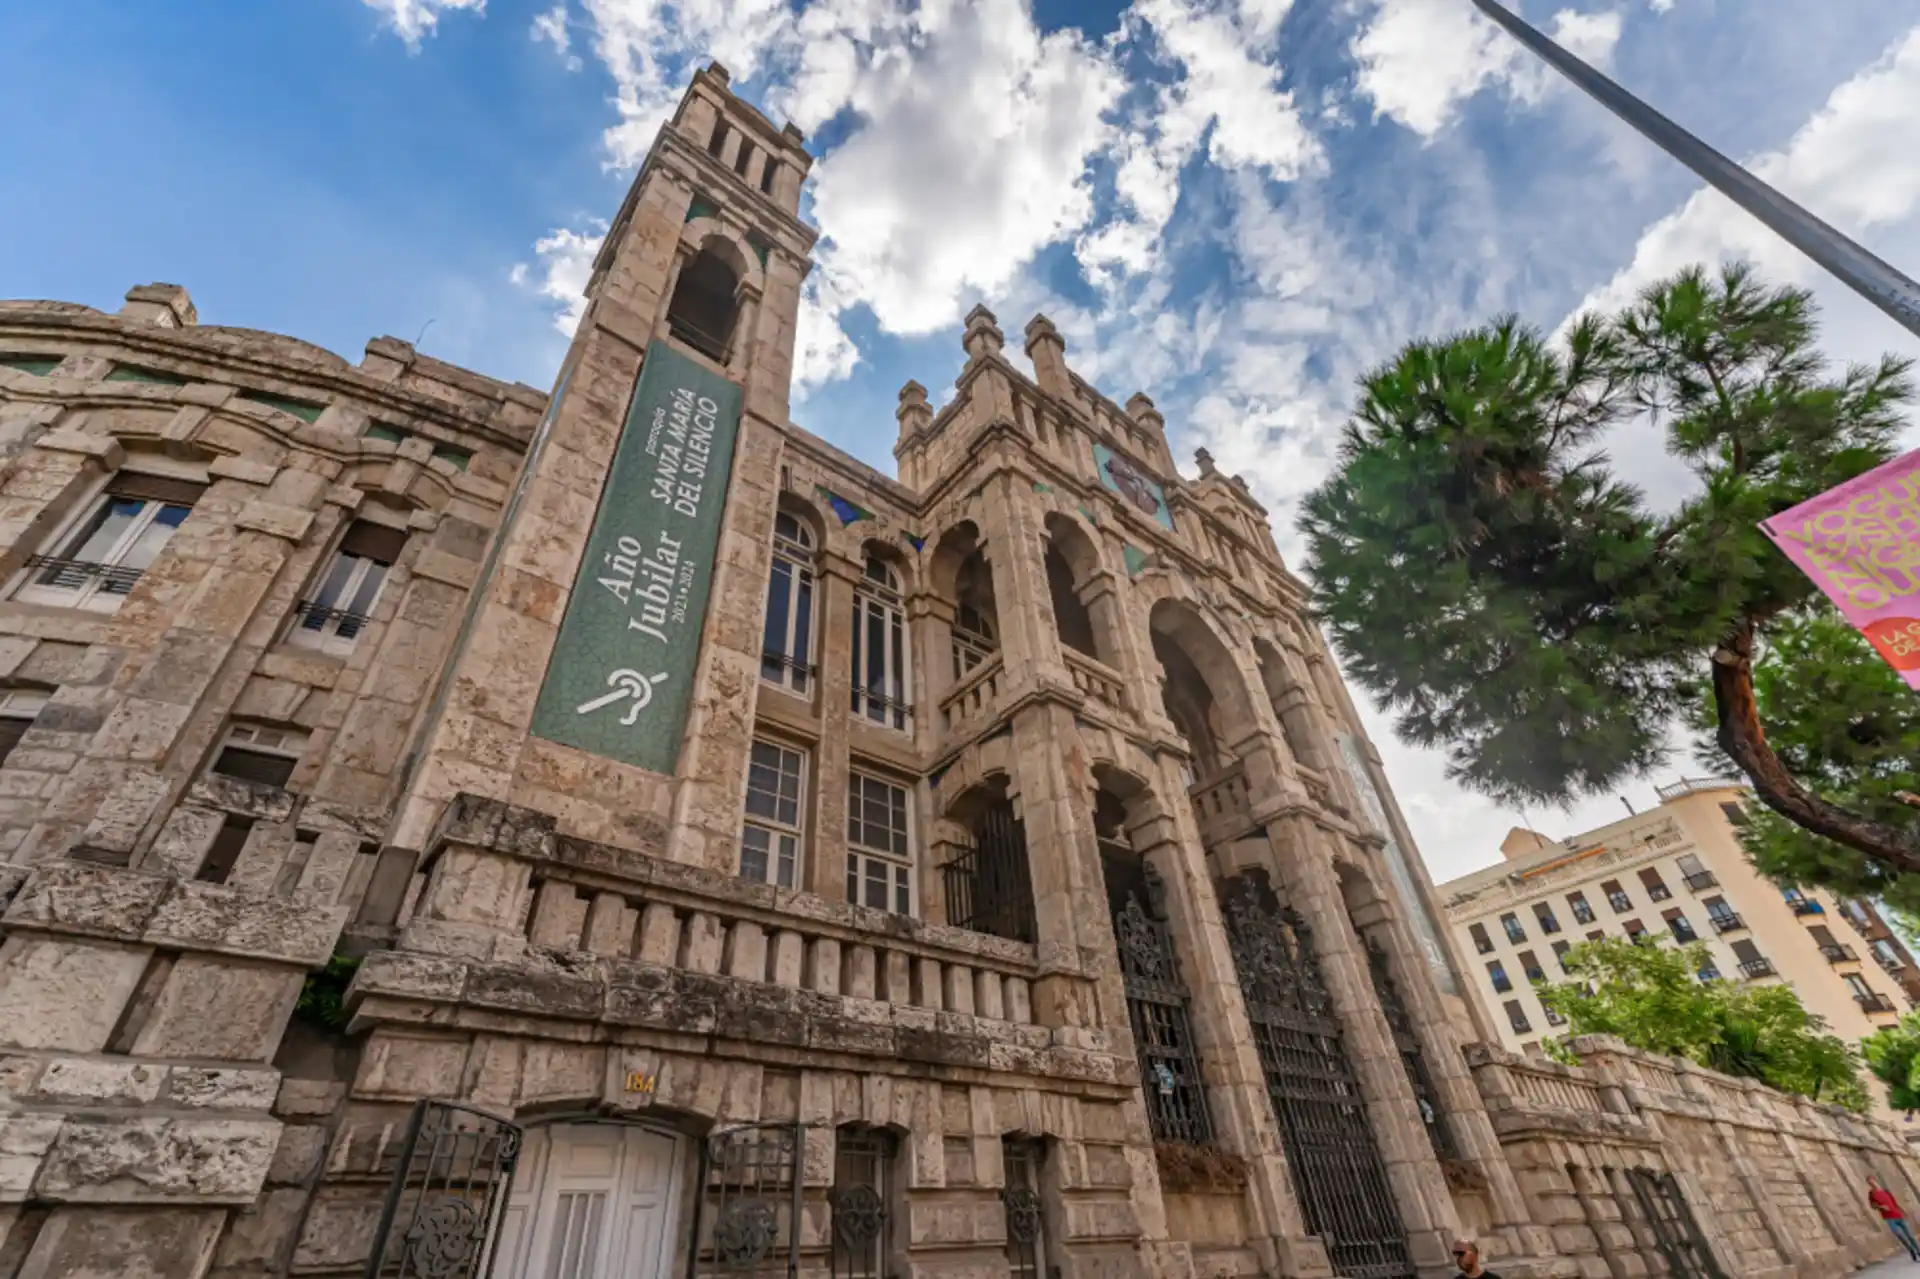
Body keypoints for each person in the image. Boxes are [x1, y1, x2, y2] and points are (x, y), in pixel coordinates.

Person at [1869, 1176, 1920, 1262]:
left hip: (1898, 1215)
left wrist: (1903, 1212)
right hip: (1889, 1218)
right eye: (1869, 1183)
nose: (1871, 1184)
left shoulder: (1885, 1191)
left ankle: (1918, 1252)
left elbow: (1894, 1203)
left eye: (1872, 1181)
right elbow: (1872, 1206)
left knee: (1910, 1236)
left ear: (1875, 1181)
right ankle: (1910, 1249)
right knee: (1898, 1234)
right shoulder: (1871, 1194)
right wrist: (1880, 1206)